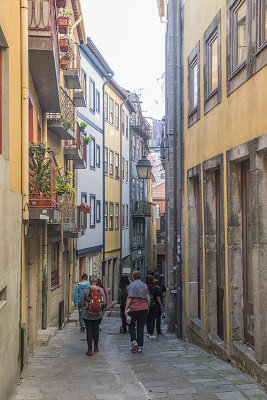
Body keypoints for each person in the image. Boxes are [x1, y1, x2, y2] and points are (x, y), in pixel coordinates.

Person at [80, 275, 106, 356]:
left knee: (89, 330)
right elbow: (104, 303)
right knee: (96, 330)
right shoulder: (100, 290)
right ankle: (96, 347)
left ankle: (90, 349)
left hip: (87, 314)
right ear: (97, 281)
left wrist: (85, 306)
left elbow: (81, 302)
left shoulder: (86, 290)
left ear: (90, 281)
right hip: (98, 314)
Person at [125, 271, 150, 353]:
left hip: (133, 308)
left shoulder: (131, 286)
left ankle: (134, 341)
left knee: (131, 325)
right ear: (141, 277)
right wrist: (148, 306)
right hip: (143, 308)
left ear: (133, 277)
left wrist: (126, 309)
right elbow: (148, 297)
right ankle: (140, 347)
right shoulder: (144, 285)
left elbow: (129, 298)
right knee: (141, 327)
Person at [146, 274, 162, 339]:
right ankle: (151, 333)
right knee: (152, 319)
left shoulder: (146, 287)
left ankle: (148, 332)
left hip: (146, 304)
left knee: (147, 319)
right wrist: (160, 305)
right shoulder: (156, 287)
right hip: (154, 305)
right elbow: (158, 297)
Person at [153, 271, 166, 335]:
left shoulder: (151, 284)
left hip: (151, 303)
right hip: (158, 303)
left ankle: (150, 331)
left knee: (151, 318)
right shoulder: (162, 285)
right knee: (158, 318)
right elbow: (164, 294)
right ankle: (158, 330)